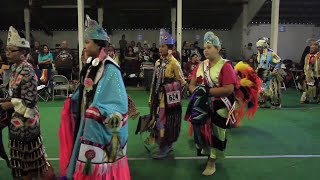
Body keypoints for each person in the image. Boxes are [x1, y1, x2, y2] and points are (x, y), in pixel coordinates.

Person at [59, 16, 130, 180]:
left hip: (99, 124)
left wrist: (96, 111)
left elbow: (118, 102)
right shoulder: (92, 65)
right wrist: (73, 99)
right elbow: (85, 89)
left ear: (98, 44)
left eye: (87, 42)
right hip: (88, 121)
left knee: (99, 165)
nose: (84, 46)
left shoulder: (111, 69)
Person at [184, 32, 261, 176]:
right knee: (203, 131)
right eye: (205, 48)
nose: (206, 50)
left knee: (217, 132)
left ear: (218, 49)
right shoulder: (201, 65)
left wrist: (206, 92)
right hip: (202, 105)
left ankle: (212, 160)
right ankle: (208, 155)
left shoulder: (225, 66)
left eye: (209, 47)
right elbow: (192, 84)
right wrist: (200, 93)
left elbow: (228, 89)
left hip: (220, 105)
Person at [3, 26, 54, 179]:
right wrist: (7, 100)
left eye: (11, 50)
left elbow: (30, 101)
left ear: (23, 53)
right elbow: (14, 94)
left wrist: (10, 104)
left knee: (31, 160)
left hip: (27, 122)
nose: (7, 53)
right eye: (6, 50)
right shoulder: (13, 68)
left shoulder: (27, 70)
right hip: (16, 121)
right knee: (20, 160)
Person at [144, 29, 186, 159]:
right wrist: (151, 97)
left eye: (163, 46)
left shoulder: (174, 63)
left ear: (169, 48)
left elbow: (182, 82)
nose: (160, 48)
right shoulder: (158, 62)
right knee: (157, 121)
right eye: (160, 45)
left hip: (168, 100)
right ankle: (165, 144)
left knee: (164, 123)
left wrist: (168, 87)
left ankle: (164, 147)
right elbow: (154, 82)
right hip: (158, 98)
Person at [256, 37, 283, 109]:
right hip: (262, 75)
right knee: (262, 90)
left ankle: (275, 103)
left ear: (264, 47)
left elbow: (279, 61)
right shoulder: (259, 55)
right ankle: (262, 102)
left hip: (271, 76)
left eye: (260, 47)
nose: (259, 49)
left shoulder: (271, 53)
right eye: (258, 47)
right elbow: (260, 64)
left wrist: (274, 71)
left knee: (273, 90)